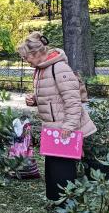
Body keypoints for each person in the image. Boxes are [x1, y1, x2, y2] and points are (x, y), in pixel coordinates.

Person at [17, 32, 96, 203]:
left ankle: (67, 205)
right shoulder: (41, 69)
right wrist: (35, 100)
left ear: (36, 53)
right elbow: (53, 96)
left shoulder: (59, 68)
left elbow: (73, 101)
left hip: (64, 128)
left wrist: (69, 126)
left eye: (26, 57)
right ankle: (56, 201)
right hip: (53, 127)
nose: (26, 61)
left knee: (63, 169)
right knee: (53, 167)